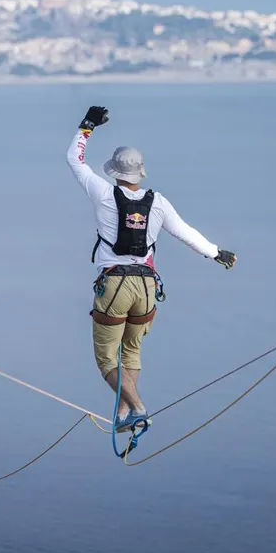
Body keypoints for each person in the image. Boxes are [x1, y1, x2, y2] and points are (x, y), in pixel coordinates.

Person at [67, 105, 236, 434]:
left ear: (114, 172)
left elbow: (75, 160)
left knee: (106, 359)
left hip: (114, 284)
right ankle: (123, 415)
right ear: (140, 172)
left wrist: (87, 126)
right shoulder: (158, 202)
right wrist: (217, 253)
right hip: (146, 288)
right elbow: (186, 234)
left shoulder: (103, 193)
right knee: (130, 351)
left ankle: (138, 407)